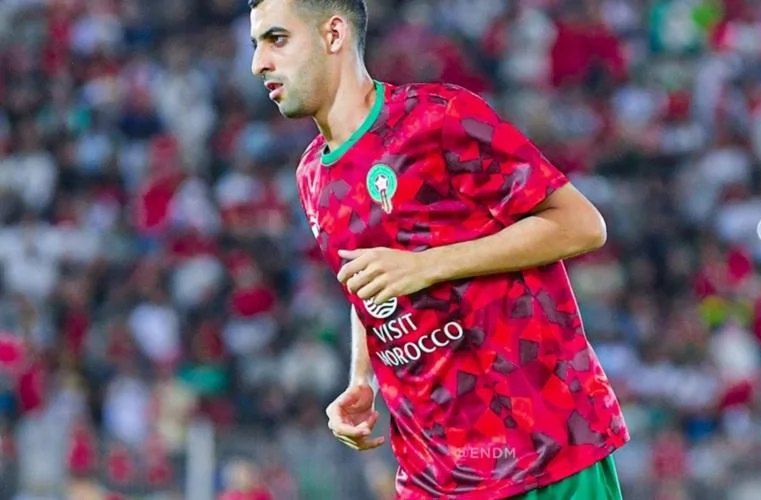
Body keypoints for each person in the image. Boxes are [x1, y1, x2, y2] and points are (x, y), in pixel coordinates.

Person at [248, 0, 629, 498]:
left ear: (333, 34)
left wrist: (428, 265)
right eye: (256, 45)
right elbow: (370, 283)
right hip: (432, 475)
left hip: (544, 451)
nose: (258, 63)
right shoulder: (312, 175)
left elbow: (581, 225)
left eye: (276, 40)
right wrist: (362, 379)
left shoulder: (436, 118)